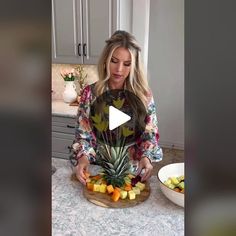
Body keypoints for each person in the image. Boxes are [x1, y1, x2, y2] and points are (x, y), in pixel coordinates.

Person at [71, 30, 162, 185]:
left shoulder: (143, 96)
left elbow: (149, 135)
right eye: (114, 61)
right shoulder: (90, 94)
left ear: (134, 66)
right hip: (96, 171)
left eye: (127, 64)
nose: (119, 69)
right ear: (106, 60)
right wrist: (83, 160)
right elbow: (84, 136)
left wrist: (146, 158)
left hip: (130, 173)